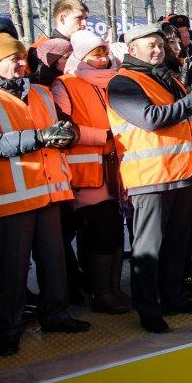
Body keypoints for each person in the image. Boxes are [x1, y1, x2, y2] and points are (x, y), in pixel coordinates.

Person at [0, 31, 90, 356]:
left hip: (48, 192)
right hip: (12, 199)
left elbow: (65, 126)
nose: (22, 63)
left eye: (22, 57)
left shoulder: (42, 92)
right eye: (13, 59)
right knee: (13, 269)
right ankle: (8, 329)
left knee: (53, 260)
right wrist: (41, 137)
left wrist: (67, 135)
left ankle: (56, 315)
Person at [106, 22, 192, 333]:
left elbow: (189, 119)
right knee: (148, 250)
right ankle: (148, 310)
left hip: (182, 173)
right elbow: (151, 119)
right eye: (150, 45)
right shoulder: (123, 82)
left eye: (160, 44)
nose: (158, 50)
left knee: (177, 245)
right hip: (150, 178)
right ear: (132, 50)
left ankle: (174, 298)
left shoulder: (168, 79)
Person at [52, 30, 130, 314]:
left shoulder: (117, 81)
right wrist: (104, 135)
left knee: (116, 232)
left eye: (104, 53)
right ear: (81, 56)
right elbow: (63, 127)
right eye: (95, 55)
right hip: (87, 173)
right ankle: (101, 293)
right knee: (103, 230)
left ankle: (113, 288)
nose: (102, 59)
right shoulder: (66, 84)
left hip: (117, 169)